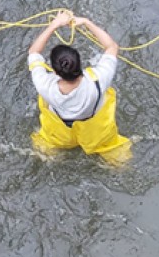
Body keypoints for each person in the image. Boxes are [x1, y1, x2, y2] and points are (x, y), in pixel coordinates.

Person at [27, 11, 132, 164]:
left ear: (55, 71)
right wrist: (86, 22)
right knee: (117, 156)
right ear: (79, 63)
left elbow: (33, 52)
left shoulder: (45, 85)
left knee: (45, 148)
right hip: (95, 132)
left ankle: (51, 154)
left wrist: (54, 24)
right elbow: (112, 46)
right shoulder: (98, 80)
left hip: (61, 132)